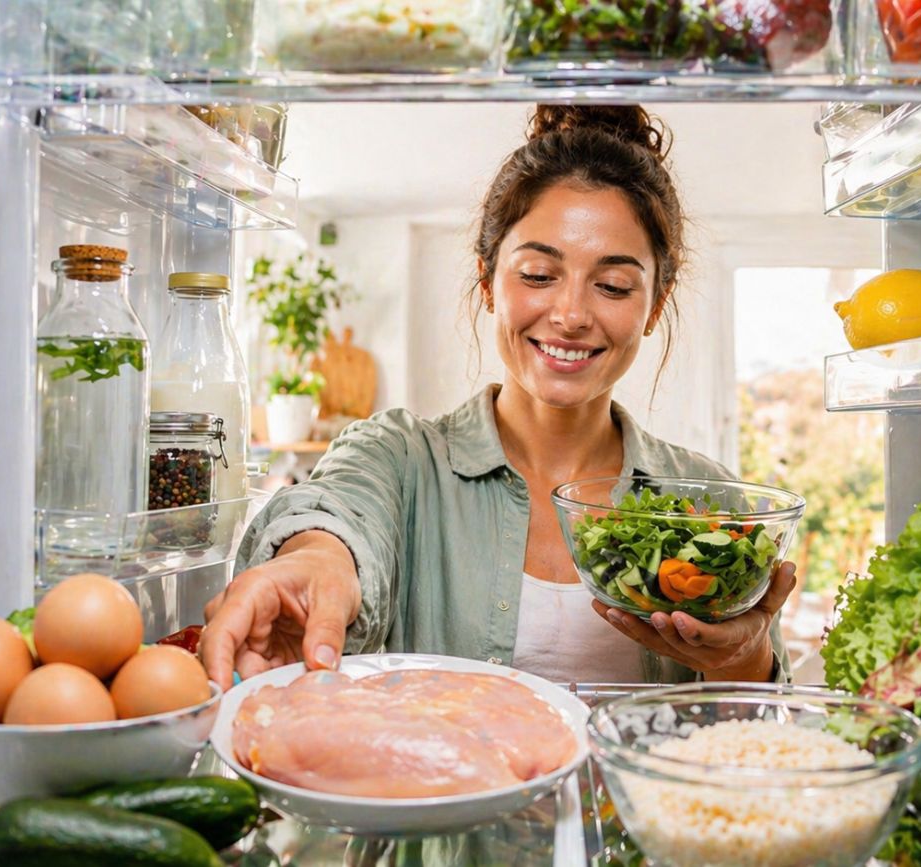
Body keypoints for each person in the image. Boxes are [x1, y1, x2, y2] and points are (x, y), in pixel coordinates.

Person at [201, 105, 797, 689]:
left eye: (613, 285)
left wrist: (743, 662)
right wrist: (316, 563)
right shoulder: (401, 457)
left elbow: (751, 750)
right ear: (488, 282)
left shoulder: (706, 500)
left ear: (654, 308)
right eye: (538, 275)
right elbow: (336, 512)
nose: (570, 315)